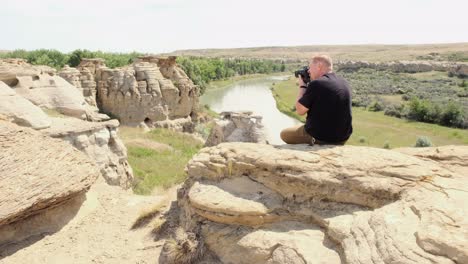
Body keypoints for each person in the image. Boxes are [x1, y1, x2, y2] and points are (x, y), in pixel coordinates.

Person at [280, 55, 352, 145]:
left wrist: (302, 86)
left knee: (284, 134)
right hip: (343, 138)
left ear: (319, 66)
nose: (309, 71)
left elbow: (300, 110)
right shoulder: (344, 82)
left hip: (320, 137)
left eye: (310, 67)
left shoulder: (317, 84)